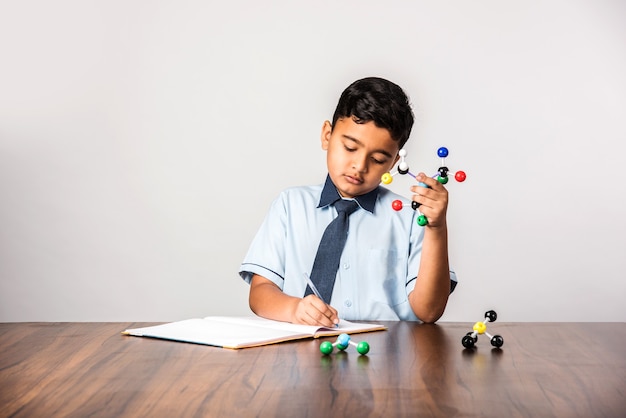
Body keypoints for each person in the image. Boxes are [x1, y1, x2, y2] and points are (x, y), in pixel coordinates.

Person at [239, 77, 457, 326]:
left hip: (388, 354)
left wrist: (436, 228)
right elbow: (259, 293)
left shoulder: (410, 217)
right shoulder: (290, 206)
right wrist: (294, 309)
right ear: (327, 135)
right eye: (350, 148)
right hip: (302, 352)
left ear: (394, 163)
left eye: (377, 159)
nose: (359, 166)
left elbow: (429, 312)